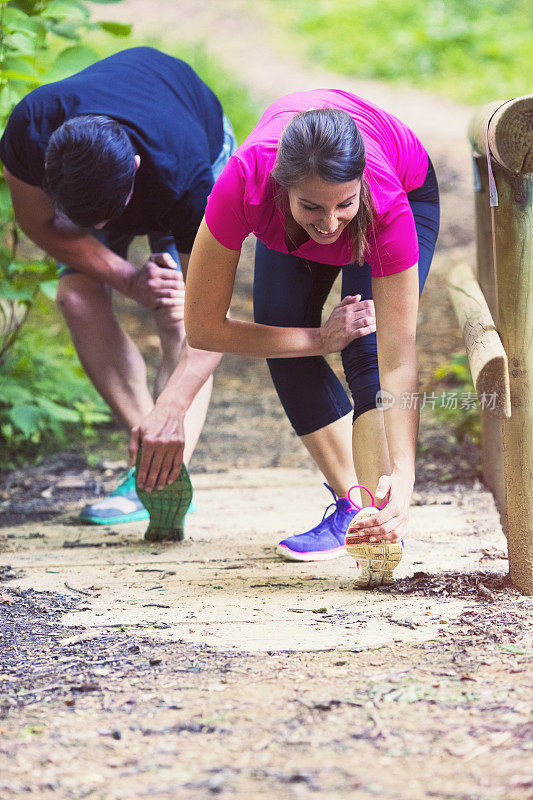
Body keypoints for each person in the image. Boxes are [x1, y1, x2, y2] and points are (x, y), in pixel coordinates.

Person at [167, 88, 438, 584]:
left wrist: (404, 472)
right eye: (313, 206)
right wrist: (316, 339)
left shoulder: (384, 200)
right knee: (282, 335)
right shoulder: (244, 182)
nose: (331, 224)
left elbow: (398, 357)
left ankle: (380, 520)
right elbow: (203, 328)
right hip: (286, 215)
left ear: (359, 186)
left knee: (367, 349)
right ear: (282, 187)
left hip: (405, 186)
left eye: (343, 205)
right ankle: (351, 505)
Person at [0, 47, 236, 524]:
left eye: (107, 216)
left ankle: (168, 472)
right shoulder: (31, 129)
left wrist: (172, 406)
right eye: (89, 219)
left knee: (177, 312)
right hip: (97, 170)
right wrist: (128, 279)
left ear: (132, 167)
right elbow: (39, 225)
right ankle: (150, 464)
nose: (104, 225)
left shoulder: (185, 175)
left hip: (194, 143)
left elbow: (211, 322)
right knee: (77, 297)